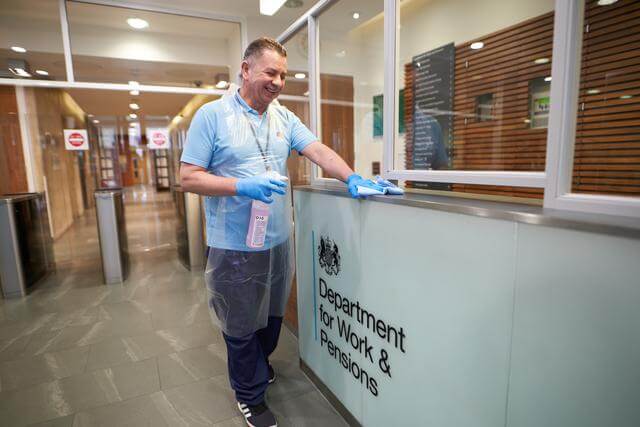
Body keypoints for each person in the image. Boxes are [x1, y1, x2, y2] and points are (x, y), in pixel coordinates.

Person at [180, 37, 382, 427]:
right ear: (245, 69)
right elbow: (188, 178)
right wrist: (241, 186)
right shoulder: (212, 116)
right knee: (239, 324)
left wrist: (353, 176)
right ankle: (250, 396)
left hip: (277, 241)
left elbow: (318, 150)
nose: (278, 81)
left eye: (283, 75)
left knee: (271, 318)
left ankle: (259, 366)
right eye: (270, 72)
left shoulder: (283, 118)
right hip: (233, 245)